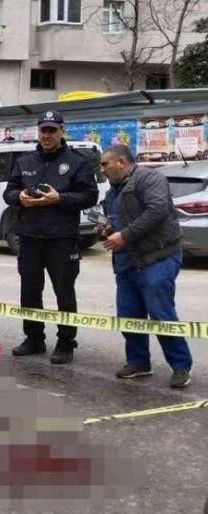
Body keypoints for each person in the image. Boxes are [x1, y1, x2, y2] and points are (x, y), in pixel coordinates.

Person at [2, 110, 99, 364]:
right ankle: (34, 338)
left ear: (61, 131)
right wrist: (18, 198)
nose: (47, 135)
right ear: (38, 132)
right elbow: (8, 192)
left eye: (52, 130)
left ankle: (66, 343)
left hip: (61, 238)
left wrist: (60, 199)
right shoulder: (25, 161)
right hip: (30, 237)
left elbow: (90, 196)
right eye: (43, 130)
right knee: (30, 291)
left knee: (64, 292)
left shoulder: (79, 161)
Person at [97, 144, 191, 388]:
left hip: (158, 257)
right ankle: (139, 363)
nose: (102, 169)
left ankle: (181, 367)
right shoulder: (111, 193)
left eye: (105, 164)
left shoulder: (150, 178)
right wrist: (107, 229)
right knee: (128, 315)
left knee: (161, 314)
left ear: (121, 162)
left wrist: (124, 235)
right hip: (127, 262)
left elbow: (157, 210)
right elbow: (116, 222)